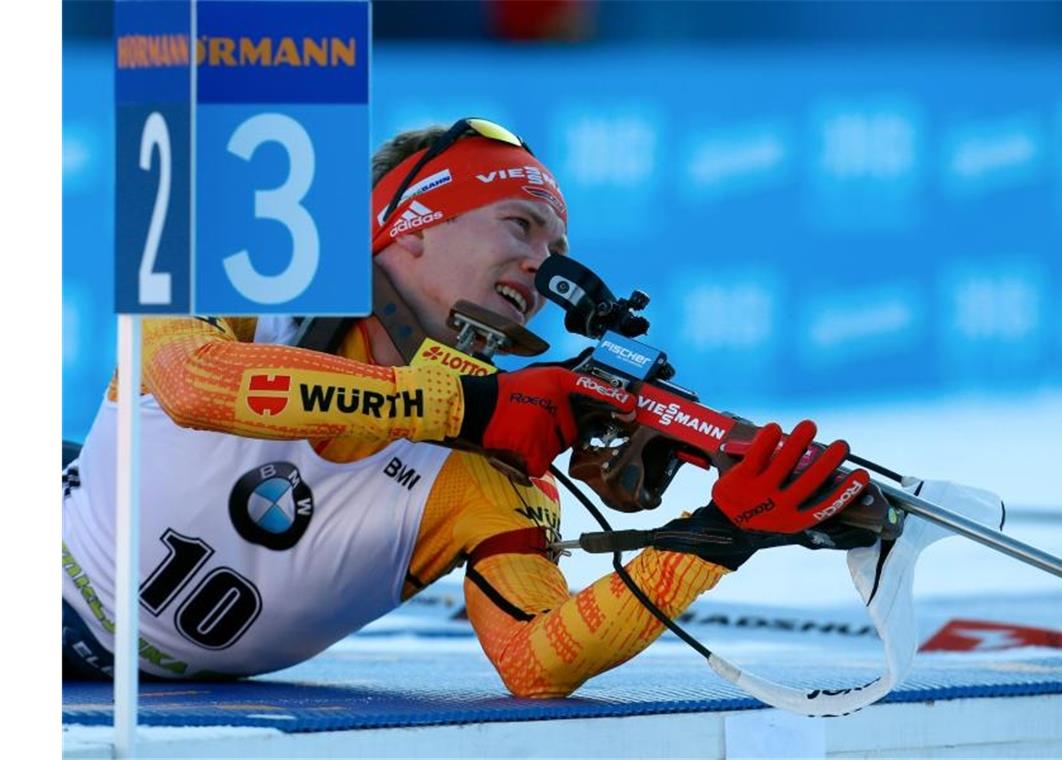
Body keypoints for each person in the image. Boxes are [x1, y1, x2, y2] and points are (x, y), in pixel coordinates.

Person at [62, 118, 873, 695]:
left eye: (556, 249)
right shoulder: (245, 293)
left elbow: (537, 660)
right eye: (519, 226)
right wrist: (469, 405)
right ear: (403, 227)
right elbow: (190, 385)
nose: (542, 266)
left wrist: (715, 535)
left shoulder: (484, 471)